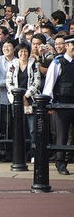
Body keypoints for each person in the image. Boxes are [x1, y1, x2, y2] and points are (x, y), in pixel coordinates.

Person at [42, 35, 74, 175]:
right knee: (62, 135)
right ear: (67, 46)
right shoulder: (58, 62)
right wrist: (49, 103)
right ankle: (60, 163)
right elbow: (49, 84)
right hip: (62, 104)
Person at [6, 43, 41, 163]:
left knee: (32, 129)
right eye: (21, 52)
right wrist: (18, 96)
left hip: (30, 100)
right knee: (18, 129)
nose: (23, 54)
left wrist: (26, 95)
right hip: (16, 100)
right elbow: (8, 82)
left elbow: (37, 82)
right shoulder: (12, 64)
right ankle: (19, 155)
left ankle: (33, 154)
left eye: (25, 51)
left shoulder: (34, 64)